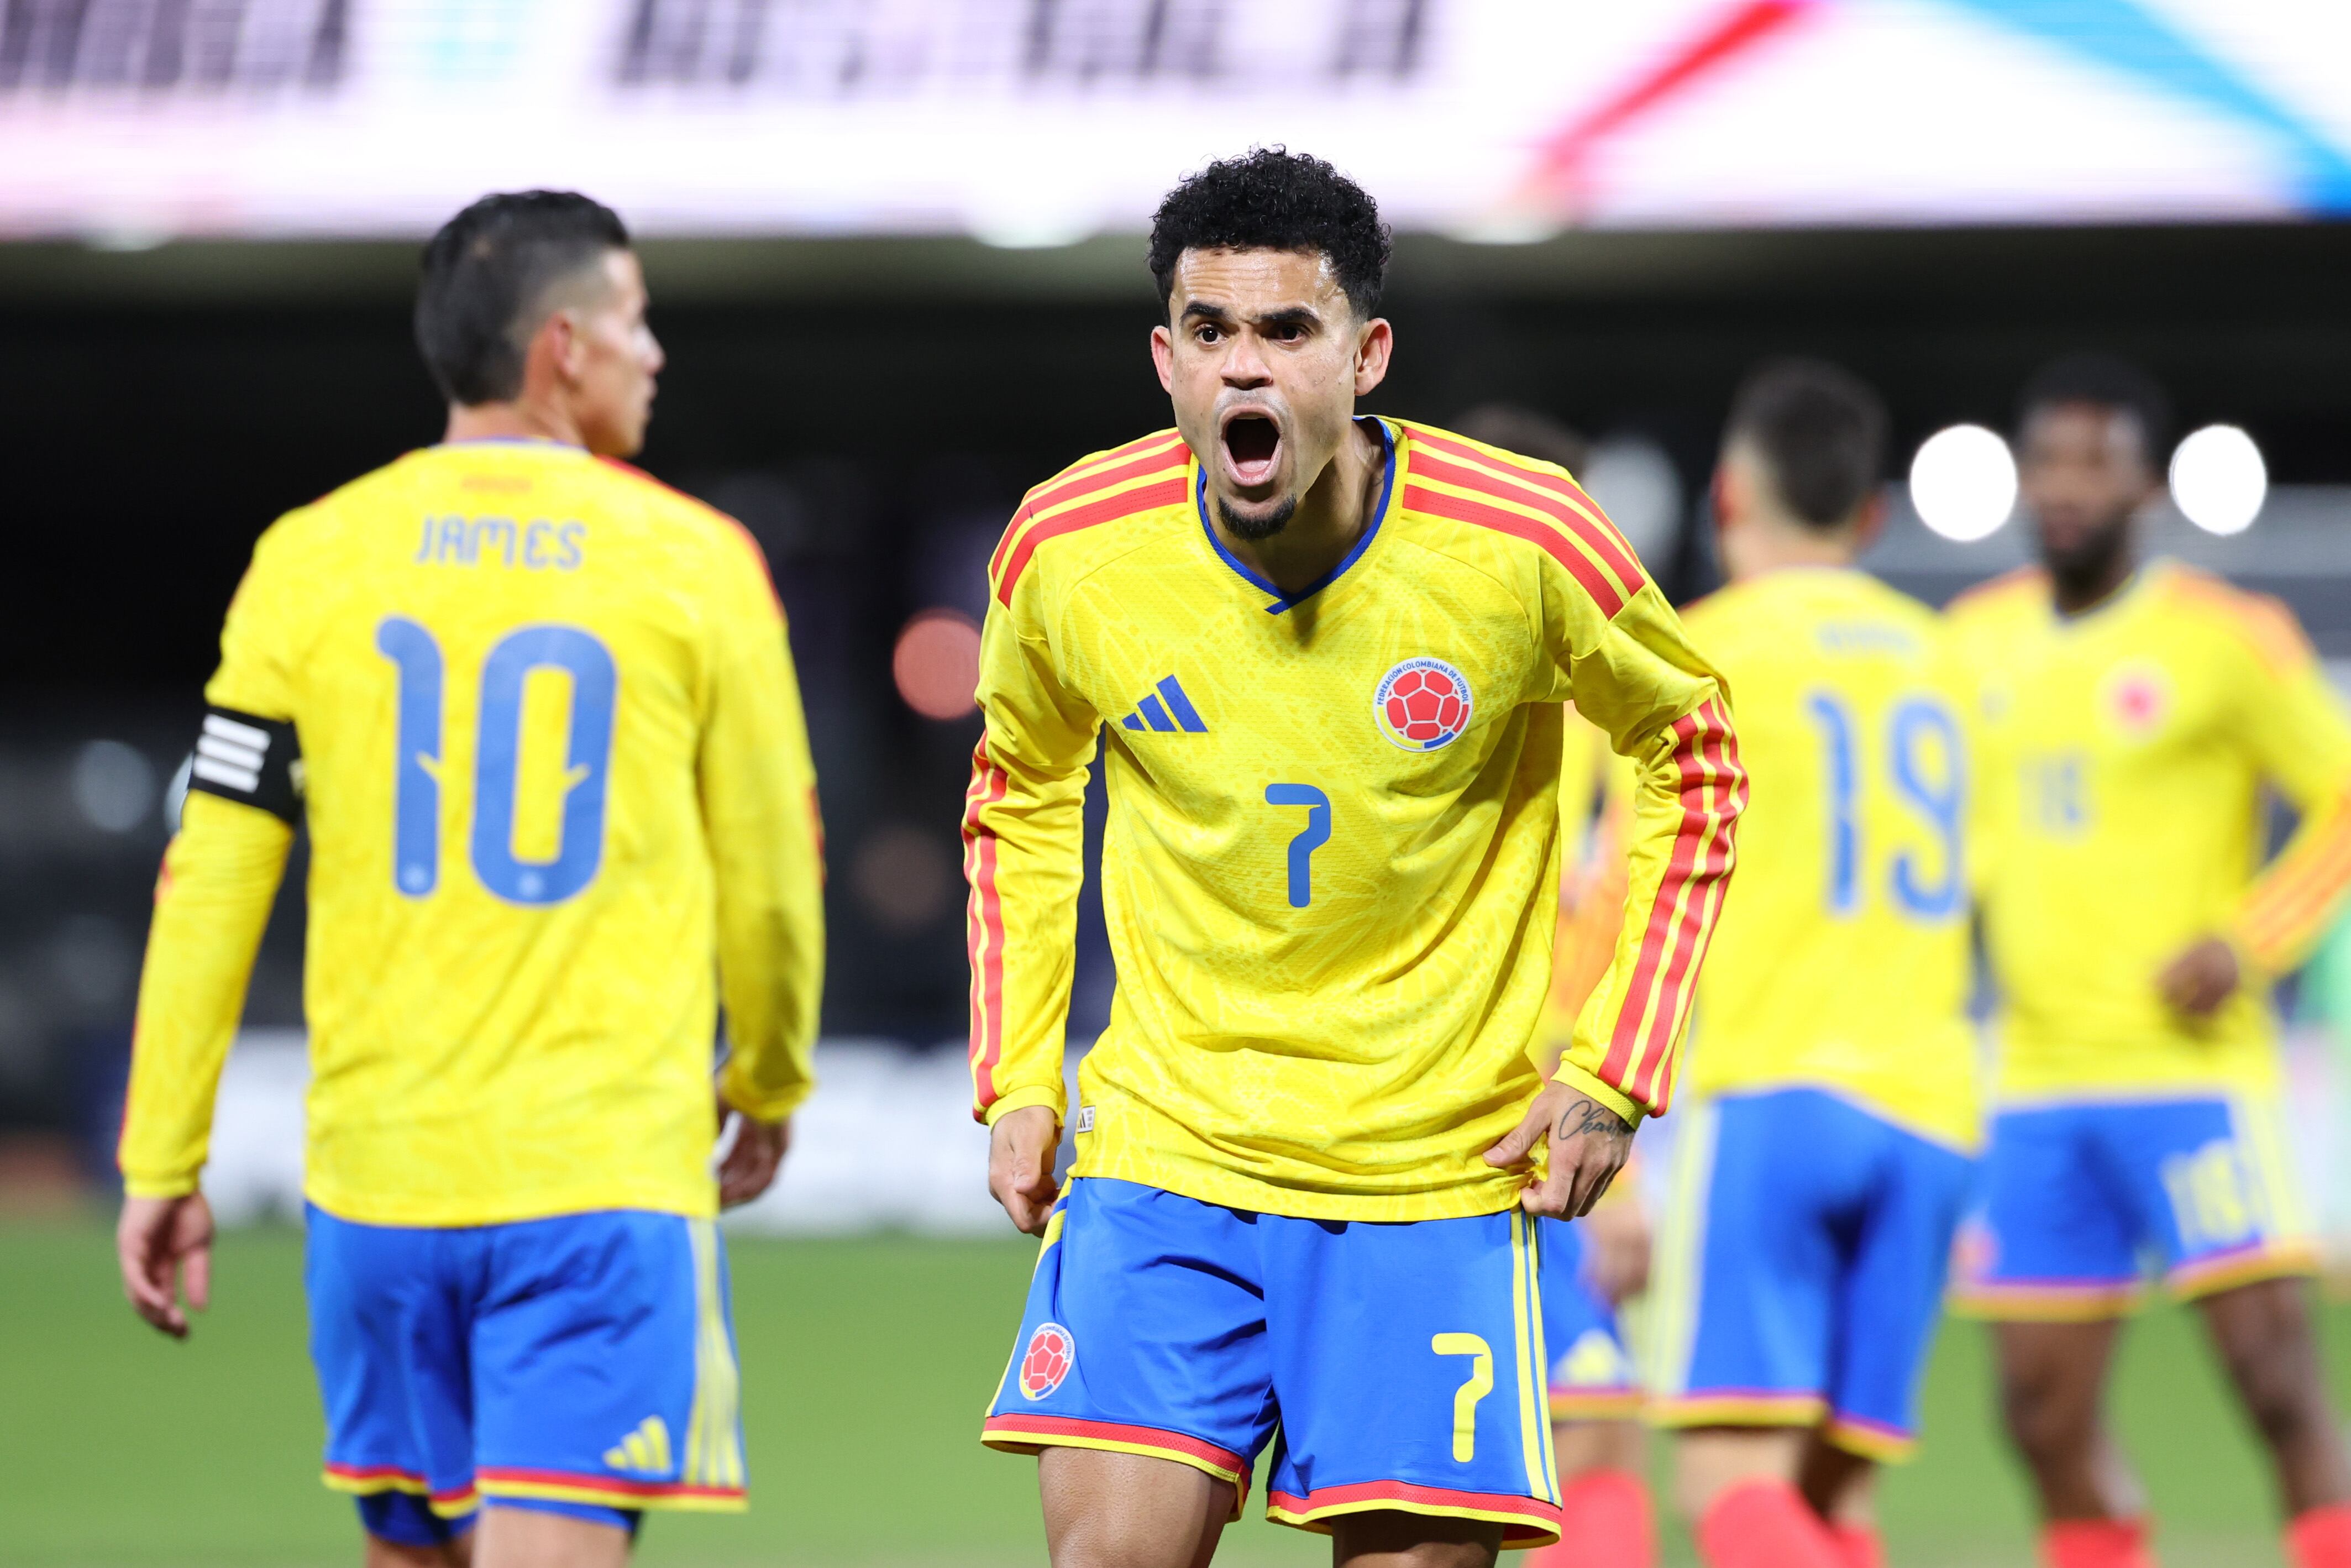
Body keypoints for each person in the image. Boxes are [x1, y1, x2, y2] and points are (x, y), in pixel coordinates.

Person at [963, 148, 1746, 1568]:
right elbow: (1020, 787)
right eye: (1210, 334)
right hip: (1169, 1147)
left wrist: (1617, 1070)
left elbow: (1695, 756)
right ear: (1164, 359)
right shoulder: (1073, 551)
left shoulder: (1521, 544)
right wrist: (1019, 1077)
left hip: (1430, 1172)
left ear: (1368, 353)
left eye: (1287, 332)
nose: (1244, 373)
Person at [113, 191, 827, 1568]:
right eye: (633, 321)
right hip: (595, 1183)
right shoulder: (695, 563)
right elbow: (773, 877)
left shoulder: (307, 558)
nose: (654, 353)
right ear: (563, 347)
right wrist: (771, 1079)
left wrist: (164, 1152)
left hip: (375, 1198)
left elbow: (212, 869)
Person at [1949, 354, 2351, 1568]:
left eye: (2096, 463)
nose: (2067, 487)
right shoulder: (1971, 642)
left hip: (2193, 1079)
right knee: (2038, 1414)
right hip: (2032, 1079)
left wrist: (2251, 940)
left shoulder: (2230, 638)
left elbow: (2343, 802)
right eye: (2049, 462)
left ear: (2151, 489)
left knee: (2275, 1382)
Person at [1644, 360, 1978, 1568]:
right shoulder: (1947, 659)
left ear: (1729, 495)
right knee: (1834, 1501)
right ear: (1871, 517)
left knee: (1729, 1482)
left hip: (1781, 1091)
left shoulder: (1698, 652)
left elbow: (1602, 887)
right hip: (1936, 1111)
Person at [1456, 405, 1659, 1568]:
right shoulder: (1600, 718)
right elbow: (1602, 937)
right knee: (1585, 1450)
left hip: (1453, 1120)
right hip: (1523, 1131)